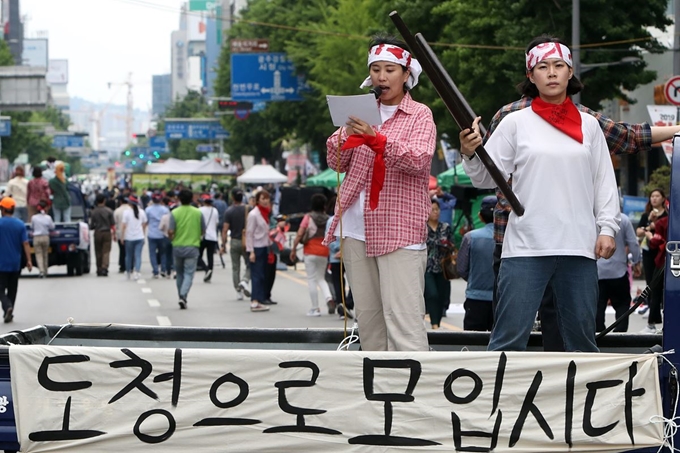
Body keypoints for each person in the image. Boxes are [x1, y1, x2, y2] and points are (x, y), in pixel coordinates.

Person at [460, 35, 680, 351]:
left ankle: (578, 400)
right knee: (508, 338)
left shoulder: (590, 125)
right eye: (543, 67)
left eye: (558, 66)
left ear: (569, 72)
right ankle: (502, 401)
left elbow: (604, 181)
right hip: (525, 246)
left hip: (578, 247)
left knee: (580, 339)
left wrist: (607, 229)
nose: (551, 73)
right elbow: (484, 178)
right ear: (530, 75)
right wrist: (471, 152)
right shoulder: (513, 122)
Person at [323, 34, 435, 352]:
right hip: (356, 228)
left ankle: (415, 396)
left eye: (389, 70)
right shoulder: (360, 112)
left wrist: (378, 140)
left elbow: (419, 160)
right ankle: (379, 395)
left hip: (398, 227)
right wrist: (342, 134)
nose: (382, 77)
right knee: (370, 322)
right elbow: (336, 162)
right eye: (375, 70)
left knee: (404, 321)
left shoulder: (420, 115)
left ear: (406, 75)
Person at [596, 213, 641, 333]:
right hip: (618, 272)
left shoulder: (593, 217)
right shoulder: (624, 219)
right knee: (622, 305)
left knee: (597, 307)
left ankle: (598, 333)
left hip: (597, 271)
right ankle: (620, 334)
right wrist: (637, 261)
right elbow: (633, 243)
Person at [457, 196, 496, 331]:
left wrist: (475, 277)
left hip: (476, 298)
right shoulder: (510, 238)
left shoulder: (470, 237)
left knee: (473, 342)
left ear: (480, 216)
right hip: (502, 299)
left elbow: (462, 269)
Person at [290, 193, 333, 317]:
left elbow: (299, 234)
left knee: (311, 279)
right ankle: (329, 297)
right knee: (321, 278)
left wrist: (293, 249)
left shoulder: (308, 217)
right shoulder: (327, 218)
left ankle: (315, 308)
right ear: (324, 205)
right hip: (324, 250)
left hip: (310, 250)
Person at [168, 189, 204, 309]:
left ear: (179, 199)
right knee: (189, 273)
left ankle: (181, 296)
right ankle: (183, 296)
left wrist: (172, 238)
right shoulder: (198, 213)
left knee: (179, 274)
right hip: (193, 247)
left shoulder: (175, 213)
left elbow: (171, 231)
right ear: (192, 198)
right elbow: (203, 229)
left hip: (177, 246)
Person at [635, 189, 667, 318]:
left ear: (663, 199)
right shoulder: (646, 215)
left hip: (662, 251)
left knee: (663, 282)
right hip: (649, 251)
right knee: (651, 283)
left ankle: (662, 312)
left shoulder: (667, 215)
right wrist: (649, 224)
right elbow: (638, 232)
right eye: (652, 196)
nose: (654, 199)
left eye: (657, 196)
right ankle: (653, 316)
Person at [0, 197, 32, 323]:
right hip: (15, 263)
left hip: (1, 264)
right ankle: (10, 308)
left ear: (2, 209)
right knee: (13, 288)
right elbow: (25, 244)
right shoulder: (20, 225)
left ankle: (7, 307)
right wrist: (29, 260)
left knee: (1, 289)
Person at [424, 199, 453, 330]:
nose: (435, 212)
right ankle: (434, 324)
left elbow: (452, 245)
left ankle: (438, 323)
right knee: (432, 294)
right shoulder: (423, 228)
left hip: (443, 267)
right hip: (427, 266)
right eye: (432, 209)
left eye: (437, 209)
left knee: (442, 296)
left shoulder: (445, 227)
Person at [326, 197, 354, 320]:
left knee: (340, 282)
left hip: (337, 255)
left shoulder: (332, 220)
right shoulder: (349, 219)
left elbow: (328, 238)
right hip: (346, 255)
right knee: (353, 281)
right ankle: (345, 305)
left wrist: (338, 250)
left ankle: (343, 305)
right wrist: (341, 250)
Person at [245, 190, 273, 312]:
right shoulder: (253, 214)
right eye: (263, 198)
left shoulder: (265, 214)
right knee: (256, 275)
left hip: (264, 246)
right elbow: (249, 233)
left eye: (267, 198)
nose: (266, 201)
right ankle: (254, 301)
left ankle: (258, 299)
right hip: (256, 247)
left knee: (262, 275)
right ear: (257, 200)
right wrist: (251, 251)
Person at [221, 189, 251, 300]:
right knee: (250, 264)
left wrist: (223, 245)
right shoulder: (249, 209)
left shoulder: (229, 211)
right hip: (247, 241)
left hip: (234, 241)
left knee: (235, 267)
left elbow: (225, 230)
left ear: (233, 197)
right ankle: (245, 280)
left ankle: (238, 291)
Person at [120, 195, 147, 280]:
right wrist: (143, 233)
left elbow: (123, 225)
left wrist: (122, 236)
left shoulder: (126, 212)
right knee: (138, 255)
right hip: (139, 237)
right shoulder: (142, 212)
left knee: (128, 255)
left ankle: (128, 271)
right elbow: (144, 224)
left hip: (129, 237)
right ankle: (137, 272)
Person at [89, 193, 116, 277]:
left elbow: (91, 225)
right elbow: (112, 223)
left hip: (97, 232)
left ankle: (99, 268)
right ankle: (105, 267)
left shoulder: (93, 212)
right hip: (107, 232)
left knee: (98, 251)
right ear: (104, 200)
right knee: (106, 251)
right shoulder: (109, 211)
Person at [145, 192, 170, 279]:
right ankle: (163, 269)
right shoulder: (165, 210)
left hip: (151, 234)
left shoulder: (148, 210)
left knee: (152, 253)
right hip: (162, 234)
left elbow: (146, 221)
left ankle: (155, 271)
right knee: (163, 253)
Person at [30, 200, 54, 278]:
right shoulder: (48, 218)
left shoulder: (34, 218)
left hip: (36, 237)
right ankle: (46, 271)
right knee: (45, 255)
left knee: (38, 254)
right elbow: (52, 227)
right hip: (45, 236)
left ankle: (41, 271)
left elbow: (32, 227)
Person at [198, 194, 219, 283]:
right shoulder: (215, 211)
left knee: (198, 255)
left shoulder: (199, 210)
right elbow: (216, 223)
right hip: (212, 236)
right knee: (210, 256)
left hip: (202, 236)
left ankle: (206, 269)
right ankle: (209, 273)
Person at [114, 196, 131, 273]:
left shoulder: (117, 211)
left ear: (120, 202)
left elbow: (115, 223)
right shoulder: (131, 210)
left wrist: (114, 234)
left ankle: (122, 266)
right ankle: (130, 265)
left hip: (120, 233)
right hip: (130, 233)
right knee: (130, 251)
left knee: (122, 250)